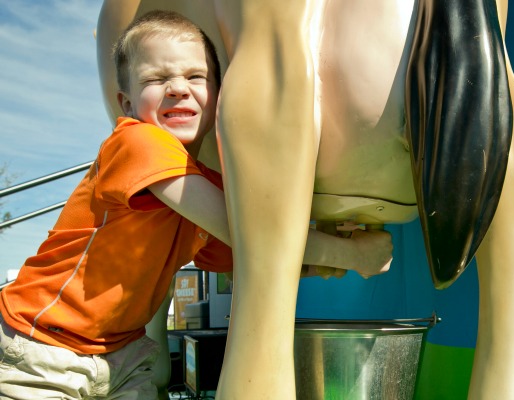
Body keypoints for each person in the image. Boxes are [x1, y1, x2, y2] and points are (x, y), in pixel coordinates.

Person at [0, 10, 393, 399]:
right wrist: (352, 255)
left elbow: (258, 262)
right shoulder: (137, 143)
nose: (177, 88)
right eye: (155, 79)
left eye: (195, 77)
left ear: (222, 96)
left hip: (121, 356)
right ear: (126, 103)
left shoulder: (205, 188)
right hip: (42, 347)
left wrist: (324, 260)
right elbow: (259, 240)